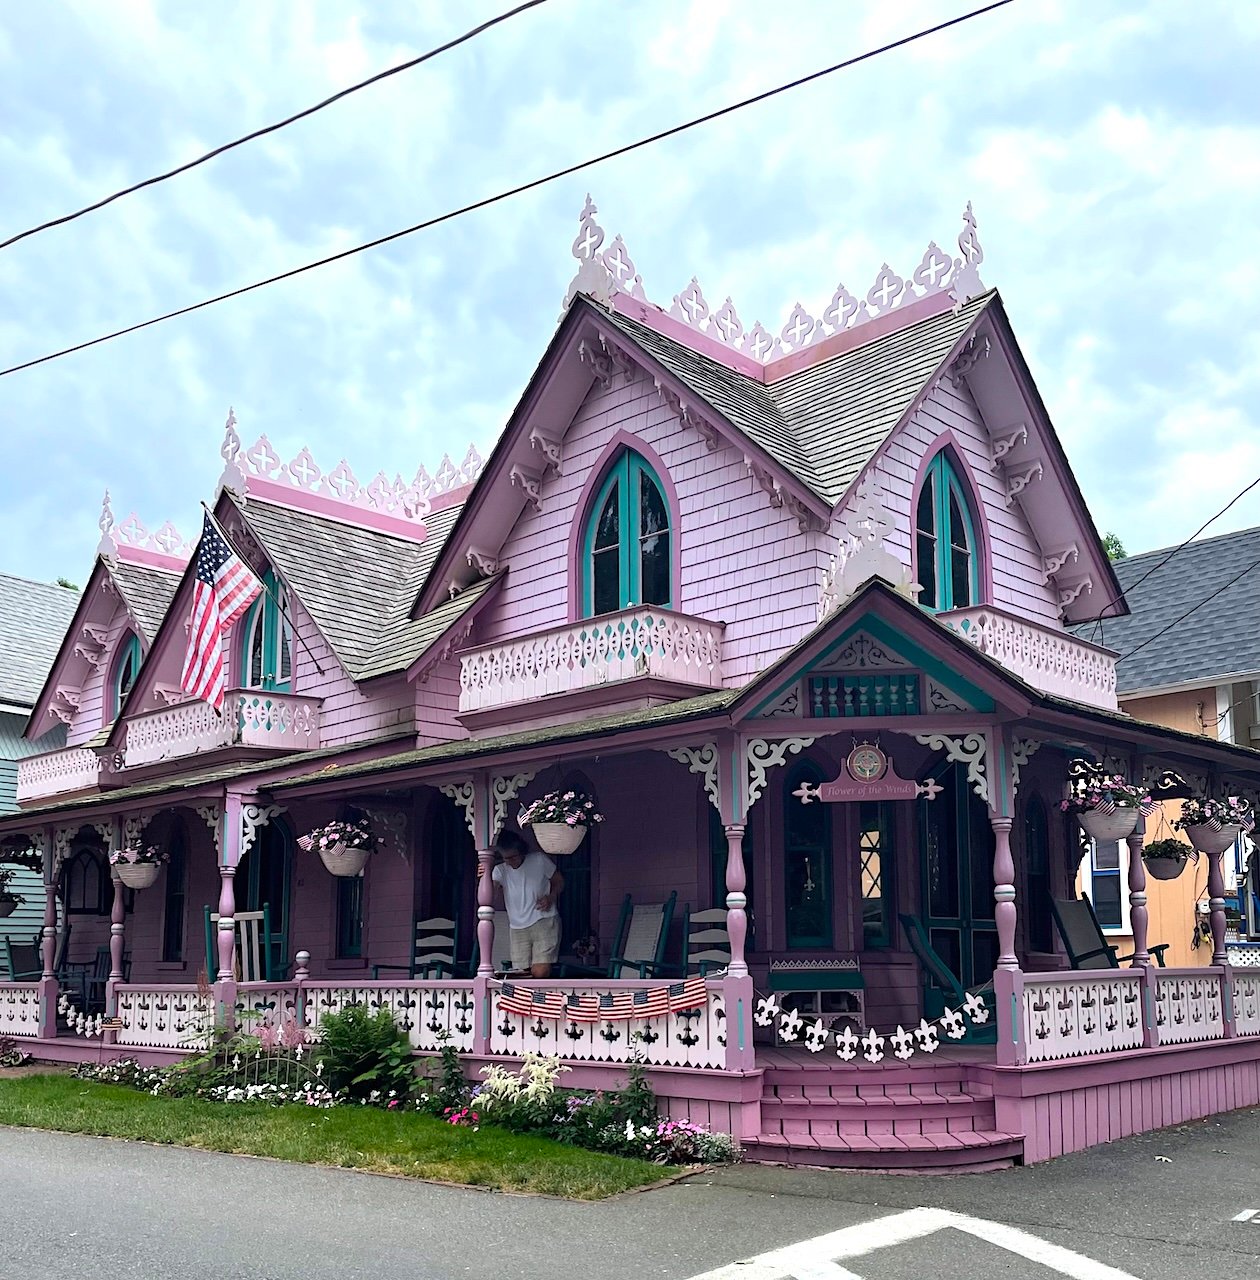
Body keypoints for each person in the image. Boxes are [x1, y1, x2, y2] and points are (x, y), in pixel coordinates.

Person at [488, 830, 564, 977]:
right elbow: (490, 896)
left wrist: (551, 897)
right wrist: (485, 875)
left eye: (513, 857)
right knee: (522, 974)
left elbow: (559, 881)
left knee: (540, 972)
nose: (510, 861)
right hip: (517, 927)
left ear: (521, 851)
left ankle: (541, 998)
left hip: (544, 920)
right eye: (506, 858)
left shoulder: (539, 860)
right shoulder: (500, 870)